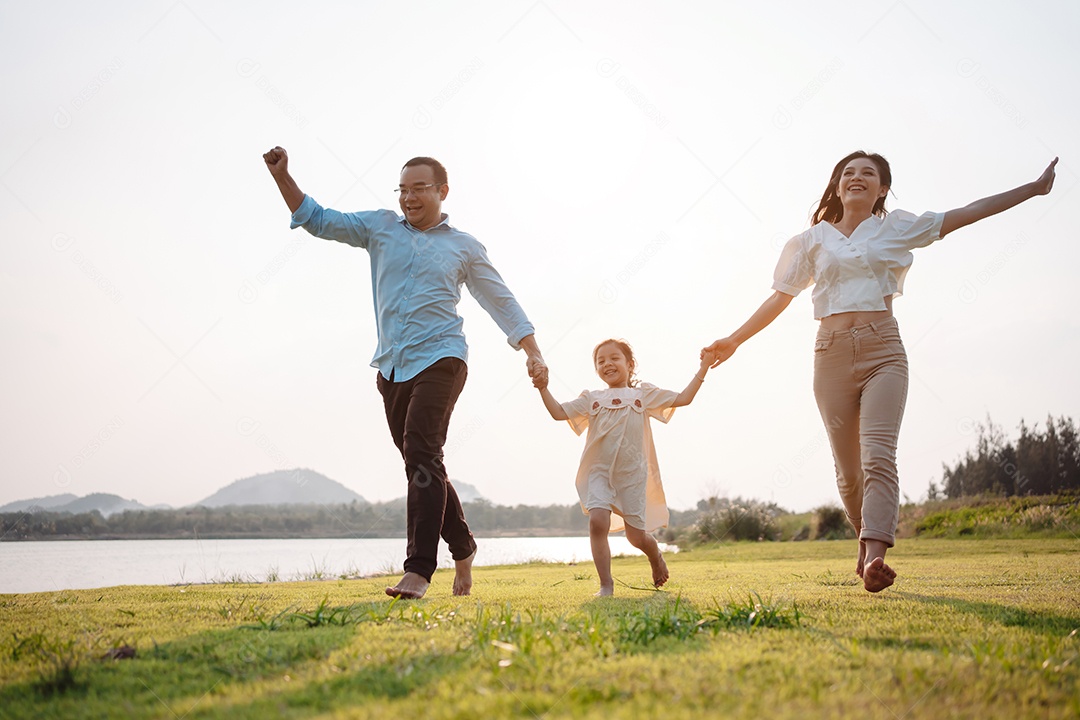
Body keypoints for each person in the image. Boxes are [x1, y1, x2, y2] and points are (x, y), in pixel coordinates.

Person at [703, 151, 1058, 592]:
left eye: (867, 173)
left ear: (882, 188)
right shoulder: (809, 241)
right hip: (830, 355)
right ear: (837, 187)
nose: (857, 178)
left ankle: (875, 558)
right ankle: (863, 535)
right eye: (848, 173)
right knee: (849, 473)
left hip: (883, 350)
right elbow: (779, 298)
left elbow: (966, 214)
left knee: (877, 456)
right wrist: (734, 339)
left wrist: (1031, 189)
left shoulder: (896, 227)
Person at [263, 146, 548, 599]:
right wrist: (283, 177)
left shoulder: (464, 246)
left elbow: (500, 300)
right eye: (403, 190)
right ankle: (464, 546)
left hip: (443, 358)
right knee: (423, 460)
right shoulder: (379, 227)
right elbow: (318, 219)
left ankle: (417, 570)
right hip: (393, 367)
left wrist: (531, 351)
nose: (409, 198)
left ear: (442, 191)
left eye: (419, 189)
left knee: (420, 448)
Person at [535, 338, 715, 595]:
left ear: (630, 365)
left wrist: (704, 367)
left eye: (614, 358)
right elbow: (558, 412)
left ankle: (655, 557)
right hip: (598, 472)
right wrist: (543, 388)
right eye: (600, 361)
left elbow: (684, 398)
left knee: (636, 537)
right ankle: (606, 584)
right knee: (598, 521)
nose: (607, 363)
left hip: (631, 475)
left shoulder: (643, 395)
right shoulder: (592, 399)